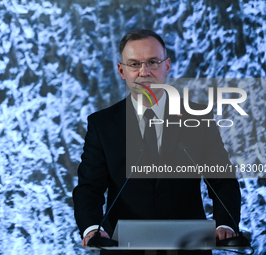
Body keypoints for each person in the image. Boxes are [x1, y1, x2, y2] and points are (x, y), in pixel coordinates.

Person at [73, 29, 241, 255]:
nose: (144, 72)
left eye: (153, 62)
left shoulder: (198, 117)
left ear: (167, 66)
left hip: (188, 247)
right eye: (134, 64)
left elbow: (222, 180)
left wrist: (225, 224)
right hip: (123, 249)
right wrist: (92, 228)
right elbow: (89, 188)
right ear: (121, 70)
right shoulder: (102, 125)